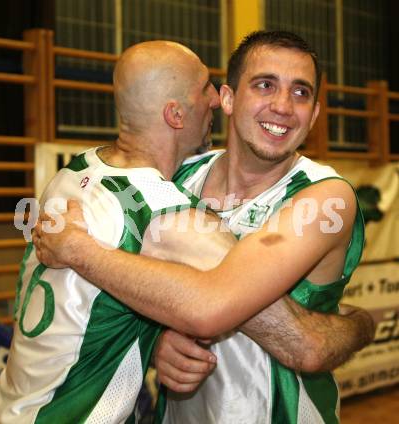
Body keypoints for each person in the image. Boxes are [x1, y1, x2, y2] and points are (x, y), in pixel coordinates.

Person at [34, 31, 374, 424]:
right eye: (265, 85)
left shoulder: (325, 197)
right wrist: (156, 339)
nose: (282, 106)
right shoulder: (176, 177)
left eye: (301, 93)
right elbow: (136, 291)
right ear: (227, 99)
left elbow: (262, 327)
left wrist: (80, 250)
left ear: (314, 114)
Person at [0, 40, 222, 423]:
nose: (215, 99)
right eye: (205, 86)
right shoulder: (163, 211)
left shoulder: (72, 173)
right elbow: (251, 294)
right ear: (175, 114)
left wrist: (156, 337)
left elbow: (92, 312)